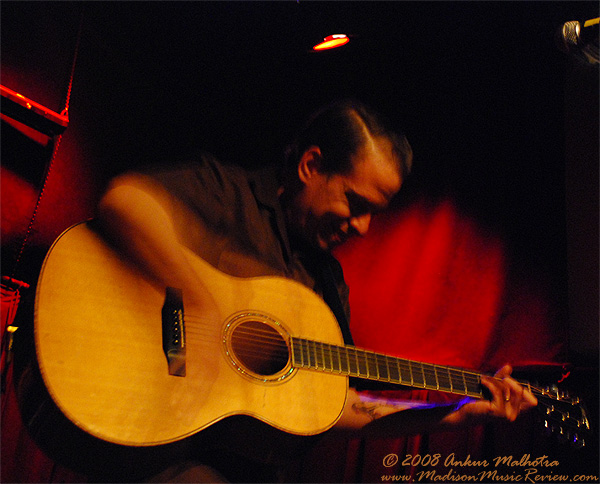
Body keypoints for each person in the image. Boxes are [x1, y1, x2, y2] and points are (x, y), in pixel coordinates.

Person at [96, 99, 537, 482]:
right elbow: (126, 202)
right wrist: (205, 306)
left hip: (242, 463)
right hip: (156, 446)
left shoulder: (326, 283)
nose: (363, 227)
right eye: (356, 204)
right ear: (311, 166)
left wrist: (455, 415)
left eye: (374, 214)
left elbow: (339, 406)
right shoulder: (232, 195)